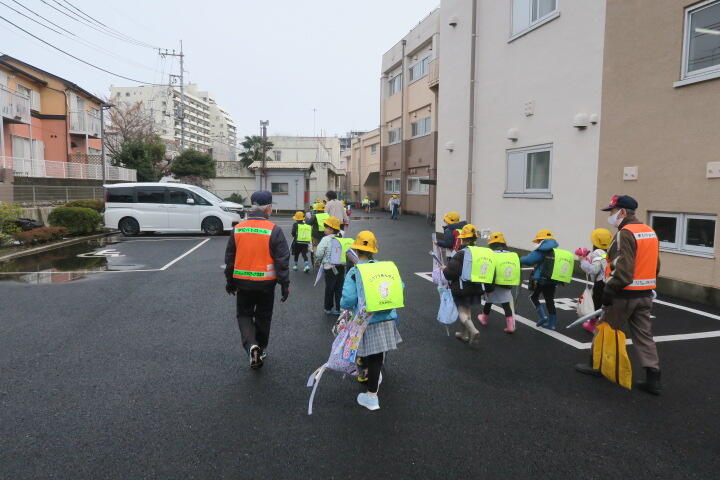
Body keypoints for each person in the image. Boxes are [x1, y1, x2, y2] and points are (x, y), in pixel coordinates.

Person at [575, 195, 662, 395]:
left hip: (623, 294)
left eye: (613, 211)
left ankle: (596, 365)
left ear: (622, 212)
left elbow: (623, 268)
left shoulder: (625, 233)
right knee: (644, 335)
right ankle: (653, 377)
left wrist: (609, 290)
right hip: (645, 294)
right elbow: (655, 264)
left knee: (604, 328)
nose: (611, 215)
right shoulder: (649, 232)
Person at [224, 190, 290, 369]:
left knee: (244, 315)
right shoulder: (274, 230)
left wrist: (230, 281)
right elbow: (282, 260)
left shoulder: (238, 229)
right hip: (266, 284)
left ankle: (251, 345)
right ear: (268, 208)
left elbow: (230, 259)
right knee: (263, 316)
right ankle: (260, 348)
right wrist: (285, 285)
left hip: (242, 283)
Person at [340, 230, 403, 411]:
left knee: (369, 354)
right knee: (377, 355)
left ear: (356, 250)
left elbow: (348, 300)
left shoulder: (354, 272)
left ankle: (371, 396)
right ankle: (372, 378)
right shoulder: (385, 267)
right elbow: (400, 287)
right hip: (387, 316)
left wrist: (345, 307)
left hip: (366, 320)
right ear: (374, 250)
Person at [442, 224, 485, 343]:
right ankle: (464, 334)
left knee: (461, 311)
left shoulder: (461, 253)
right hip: (476, 286)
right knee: (467, 309)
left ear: (464, 239)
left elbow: (451, 272)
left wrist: (445, 269)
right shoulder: (480, 252)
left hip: (462, 287)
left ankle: (473, 330)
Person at [478, 232, 519, 334]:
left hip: (493, 285)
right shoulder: (512, 255)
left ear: (491, 244)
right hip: (507, 283)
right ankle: (510, 326)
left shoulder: (491, 255)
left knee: (488, 302)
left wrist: (487, 288)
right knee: (506, 305)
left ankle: (484, 318)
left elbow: (489, 272)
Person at [520, 229, 560, 330]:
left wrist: (518, 259)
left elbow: (528, 260)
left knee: (533, 297)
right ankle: (552, 324)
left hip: (542, 279)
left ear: (542, 240)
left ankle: (543, 317)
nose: (537, 242)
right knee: (549, 300)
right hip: (553, 279)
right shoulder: (556, 251)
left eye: (538, 240)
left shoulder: (541, 251)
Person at [575, 228, 612, 332]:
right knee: (606, 305)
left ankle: (592, 325)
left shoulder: (596, 253)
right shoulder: (608, 252)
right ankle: (604, 325)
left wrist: (583, 261)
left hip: (600, 283)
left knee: (596, 303)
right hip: (610, 281)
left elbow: (594, 269)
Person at [315, 216, 345, 315]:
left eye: (326, 227)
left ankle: (328, 308)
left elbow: (319, 254)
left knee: (329, 288)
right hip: (341, 267)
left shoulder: (325, 239)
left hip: (329, 268)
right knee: (339, 288)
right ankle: (338, 308)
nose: (324, 229)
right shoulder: (341, 238)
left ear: (331, 229)